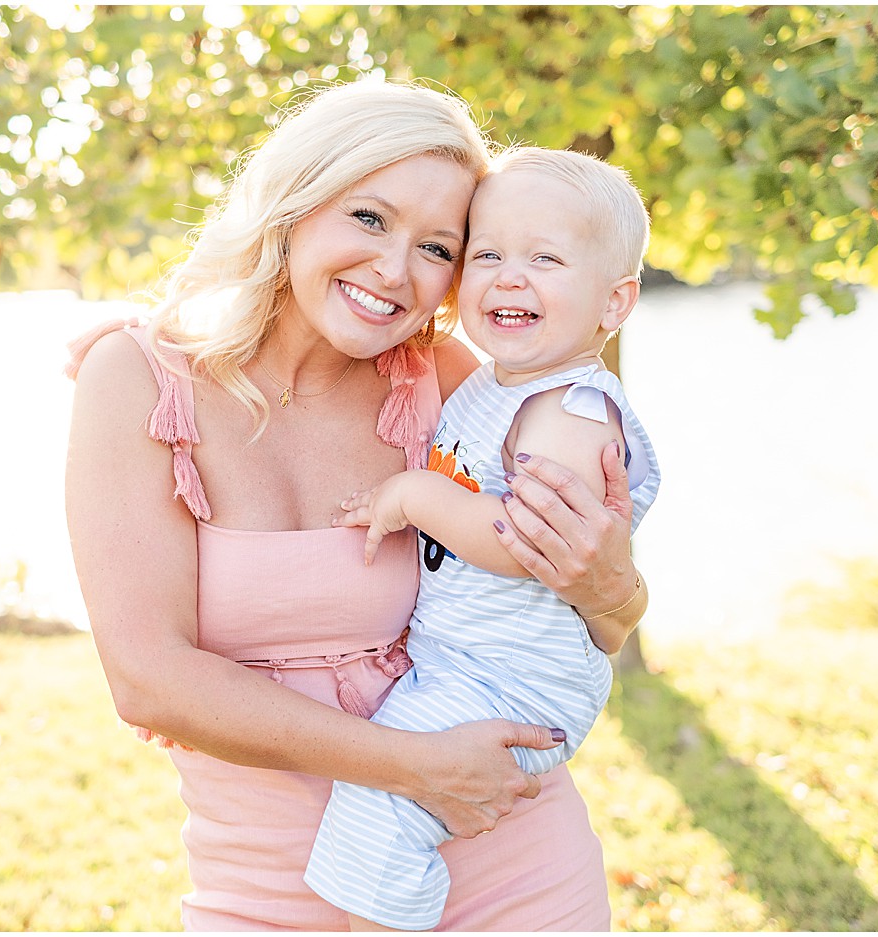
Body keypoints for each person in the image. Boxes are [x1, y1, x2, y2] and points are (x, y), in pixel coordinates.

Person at [64, 79, 648, 931]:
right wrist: (412, 766)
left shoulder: (455, 386)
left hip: (510, 864)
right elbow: (148, 679)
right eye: (369, 219)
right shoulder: (139, 381)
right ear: (295, 204)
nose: (393, 270)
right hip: (266, 886)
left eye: (439, 248)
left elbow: (587, 615)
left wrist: (615, 592)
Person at [302, 147, 661, 931]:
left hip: (516, 680)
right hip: (476, 664)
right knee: (382, 809)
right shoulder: (495, 386)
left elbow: (525, 542)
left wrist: (416, 495)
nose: (508, 275)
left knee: (378, 815)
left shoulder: (568, 409)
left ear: (615, 302)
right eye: (488, 253)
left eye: (546, 258)